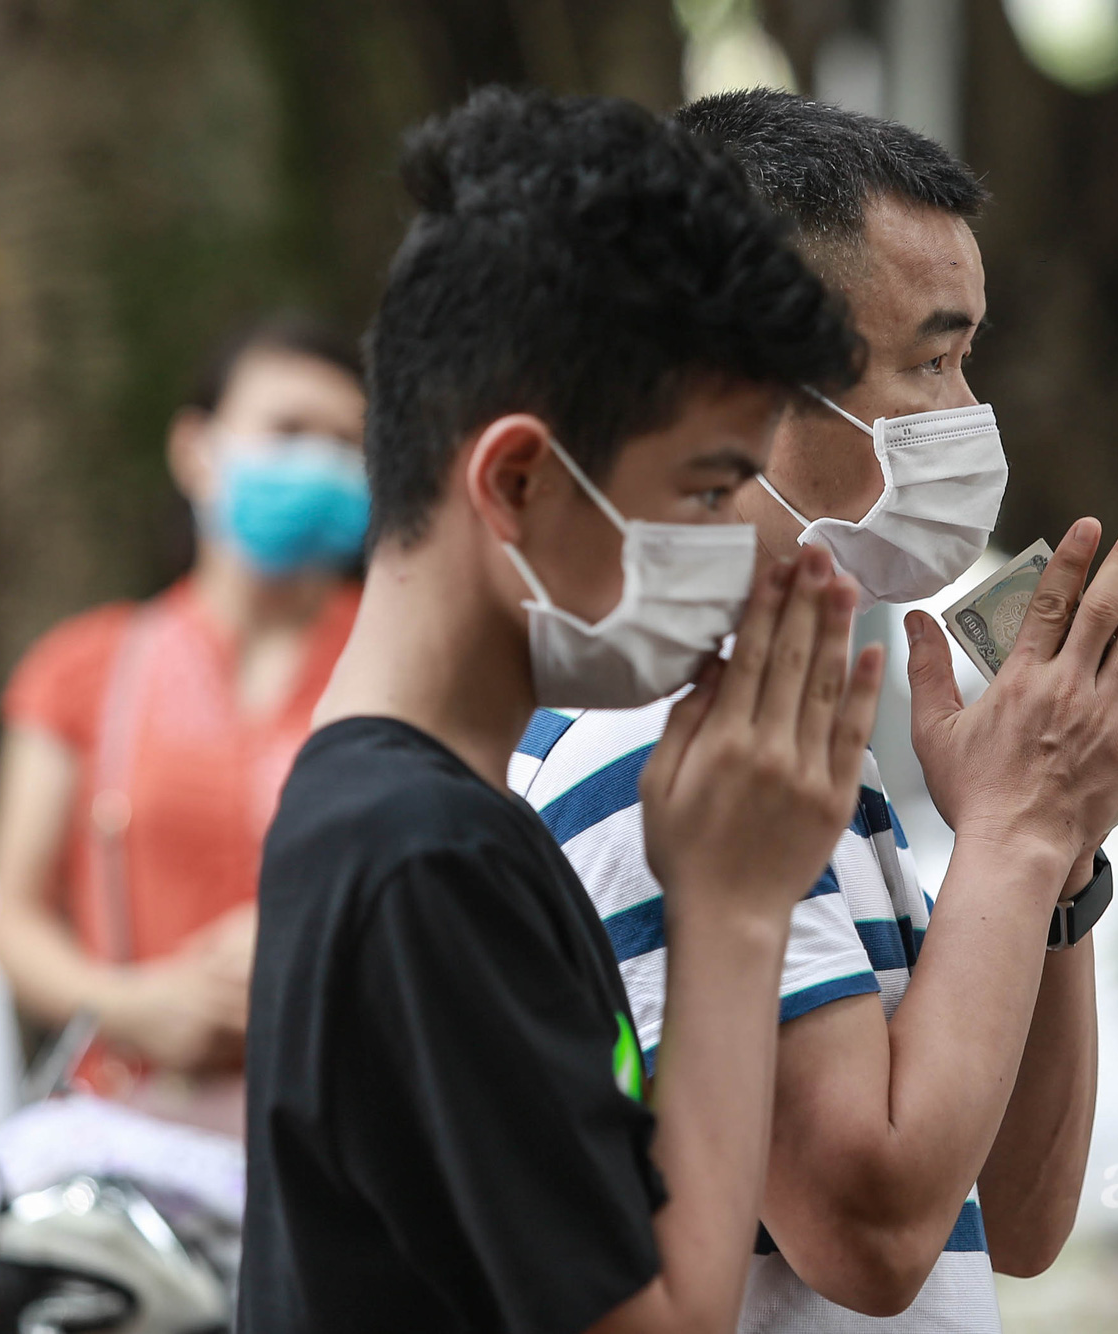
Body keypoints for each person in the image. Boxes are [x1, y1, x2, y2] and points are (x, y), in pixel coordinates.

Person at [508, 89, 1118, 1329]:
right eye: (931, 360)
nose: (968, 414)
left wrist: (1053, 859)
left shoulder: (788, 736)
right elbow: (870, 1235)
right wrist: (1015, 831)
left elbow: (1019, 1211)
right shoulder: (660, 743)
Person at [238, 89, 887, 1332]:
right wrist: (733, 908)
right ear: (519, 477)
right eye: (708, 492)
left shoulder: (424, 821)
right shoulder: (423, 860)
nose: (743, 550)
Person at [0, 314, 368, 1133]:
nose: (320, 463)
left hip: (347, 1130)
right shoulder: (81, 670)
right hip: (135, 1130)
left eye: (347, 443)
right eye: (289, 431)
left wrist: (317, 936)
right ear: (195, 450)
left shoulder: (401, 660)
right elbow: (14, 919)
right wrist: (127, 1004)